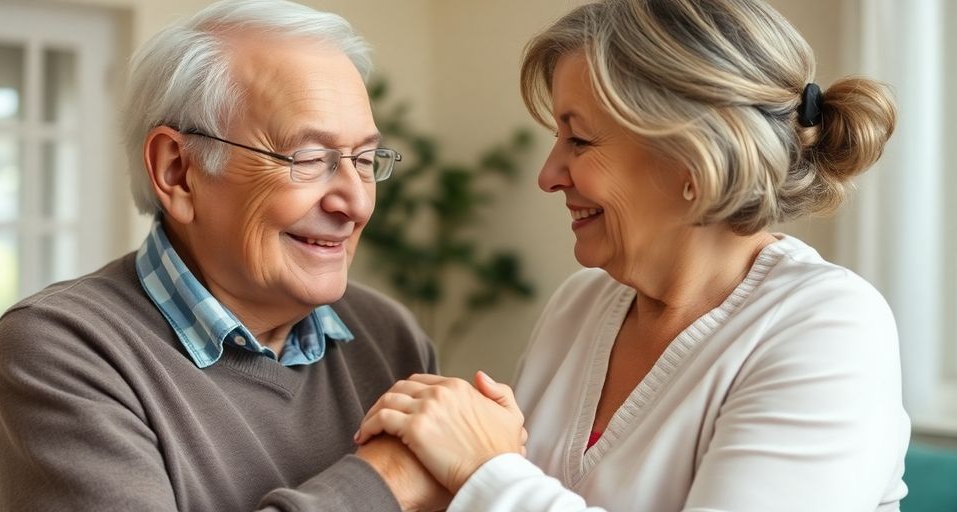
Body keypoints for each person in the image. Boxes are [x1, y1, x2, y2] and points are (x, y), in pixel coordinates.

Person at [355, 0, 910, 510]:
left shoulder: (829, 328)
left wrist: (484, 471)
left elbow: (504, 490)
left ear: (692, 159)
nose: (548, 176)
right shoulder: (580, 306)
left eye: (579, 141)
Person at [0, 1, 448, 510]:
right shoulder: (63, 349)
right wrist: (389, 476)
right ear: (178, 171)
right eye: (309, 159)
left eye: (363, 160)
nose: (356, 203)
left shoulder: (390, 337)